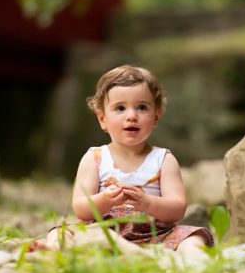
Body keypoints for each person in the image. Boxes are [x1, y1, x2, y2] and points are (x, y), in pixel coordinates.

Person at [67, 65, 213, 255]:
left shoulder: (164, 159)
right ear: (102, 118)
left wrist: (147, 203)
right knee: (62, 232)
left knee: (194, 236)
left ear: (156, 117)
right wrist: (104, 200)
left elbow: (177, 209)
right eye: (120, 108)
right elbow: (81, 208)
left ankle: (196, 259)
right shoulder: (94, 158)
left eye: (142, 107)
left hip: (154, 234)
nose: (132, 116)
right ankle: (53, 249)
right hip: (104, 232)